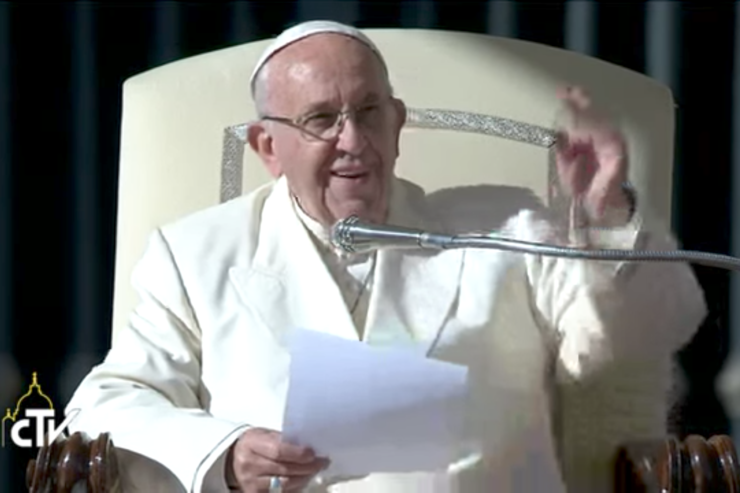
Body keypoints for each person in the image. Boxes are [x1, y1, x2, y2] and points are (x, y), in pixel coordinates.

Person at [64, 20, 706, 493]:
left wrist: (605, 218)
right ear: (267, 147)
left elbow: (615, 345)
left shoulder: (500, 225)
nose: (354, 141)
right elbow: (104, 406)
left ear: (397, 123)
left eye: (369, 112)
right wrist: (225, 454)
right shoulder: (195, 253)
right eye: (321, 119)